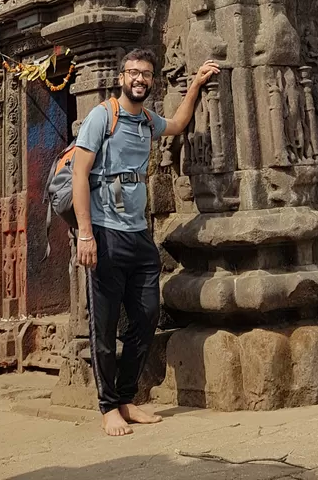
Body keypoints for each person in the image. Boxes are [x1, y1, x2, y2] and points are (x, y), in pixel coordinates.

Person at [72, 47, 221, 438]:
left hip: (139, 235)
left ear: (152, 81)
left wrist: (195, 85)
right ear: (121, 76)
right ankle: (108, 408)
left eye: (146, 74)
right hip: (104, 234)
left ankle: (126, 398)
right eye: (134, 72)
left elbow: (178, 123)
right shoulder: (102, 117)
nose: (140, 79)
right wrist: (85, 234)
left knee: (145, 317)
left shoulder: (145, 122)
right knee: (104, 326)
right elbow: (79, 175)